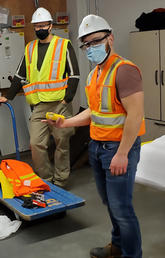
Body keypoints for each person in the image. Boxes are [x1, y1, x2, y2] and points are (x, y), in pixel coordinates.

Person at [44, 14, 145, 258]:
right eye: (86, 44)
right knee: (111, 204)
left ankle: (132, 254)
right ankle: (118, 247)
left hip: (119, 149)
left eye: (96, 42)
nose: (91, 48)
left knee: (122, 209)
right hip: (98, 147)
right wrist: (65, 122)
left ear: (110, 38)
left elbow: (135, 115)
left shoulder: (125, 71)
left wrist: (121, 154)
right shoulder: (95, 74)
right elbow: (94, 112)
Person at [0, 7, 80, 188]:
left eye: (43, 25)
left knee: (62, 145)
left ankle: (60, 181)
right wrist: (8, 97)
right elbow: (20, 76)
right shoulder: (30, 48)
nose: (40, 29)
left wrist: (67, 99)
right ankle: (46, 179)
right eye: (36, 26)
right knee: (36, 144)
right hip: (39, 106)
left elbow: (74, 75)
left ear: (51, 26)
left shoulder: (64, 45)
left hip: (60, 104)